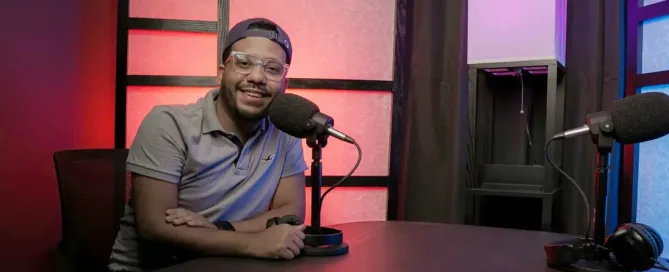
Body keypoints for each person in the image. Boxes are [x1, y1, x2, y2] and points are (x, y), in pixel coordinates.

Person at [108, 18, 308, 272]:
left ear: (285, 84)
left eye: (272, 69)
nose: (257, 77)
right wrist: (254, 243)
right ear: (222, 73)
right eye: (244, 63)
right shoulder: (167, 123)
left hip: (232, 265)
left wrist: (219, 229)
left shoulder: (285, 133)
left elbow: (290, 211)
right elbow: (155, 227)